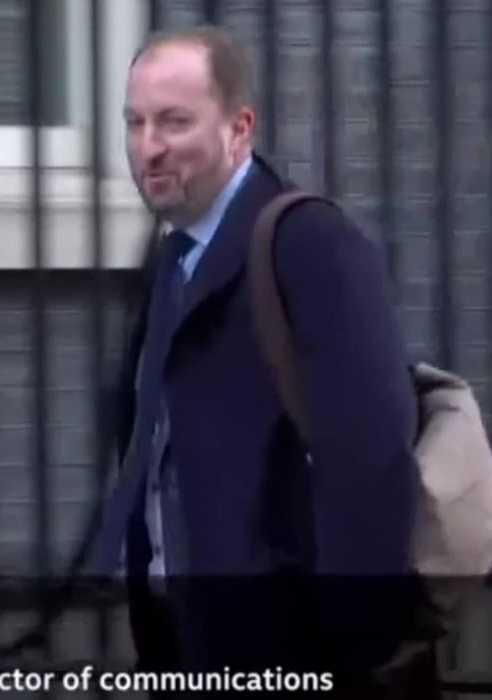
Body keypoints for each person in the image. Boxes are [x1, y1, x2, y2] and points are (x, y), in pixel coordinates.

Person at [84, 25, 439, 698]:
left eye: (173, 122)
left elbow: (369, 458)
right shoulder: (173, 258)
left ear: (237, 128)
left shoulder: (309, 246)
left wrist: (346, 644)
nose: (147, 148)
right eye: (134, 123)